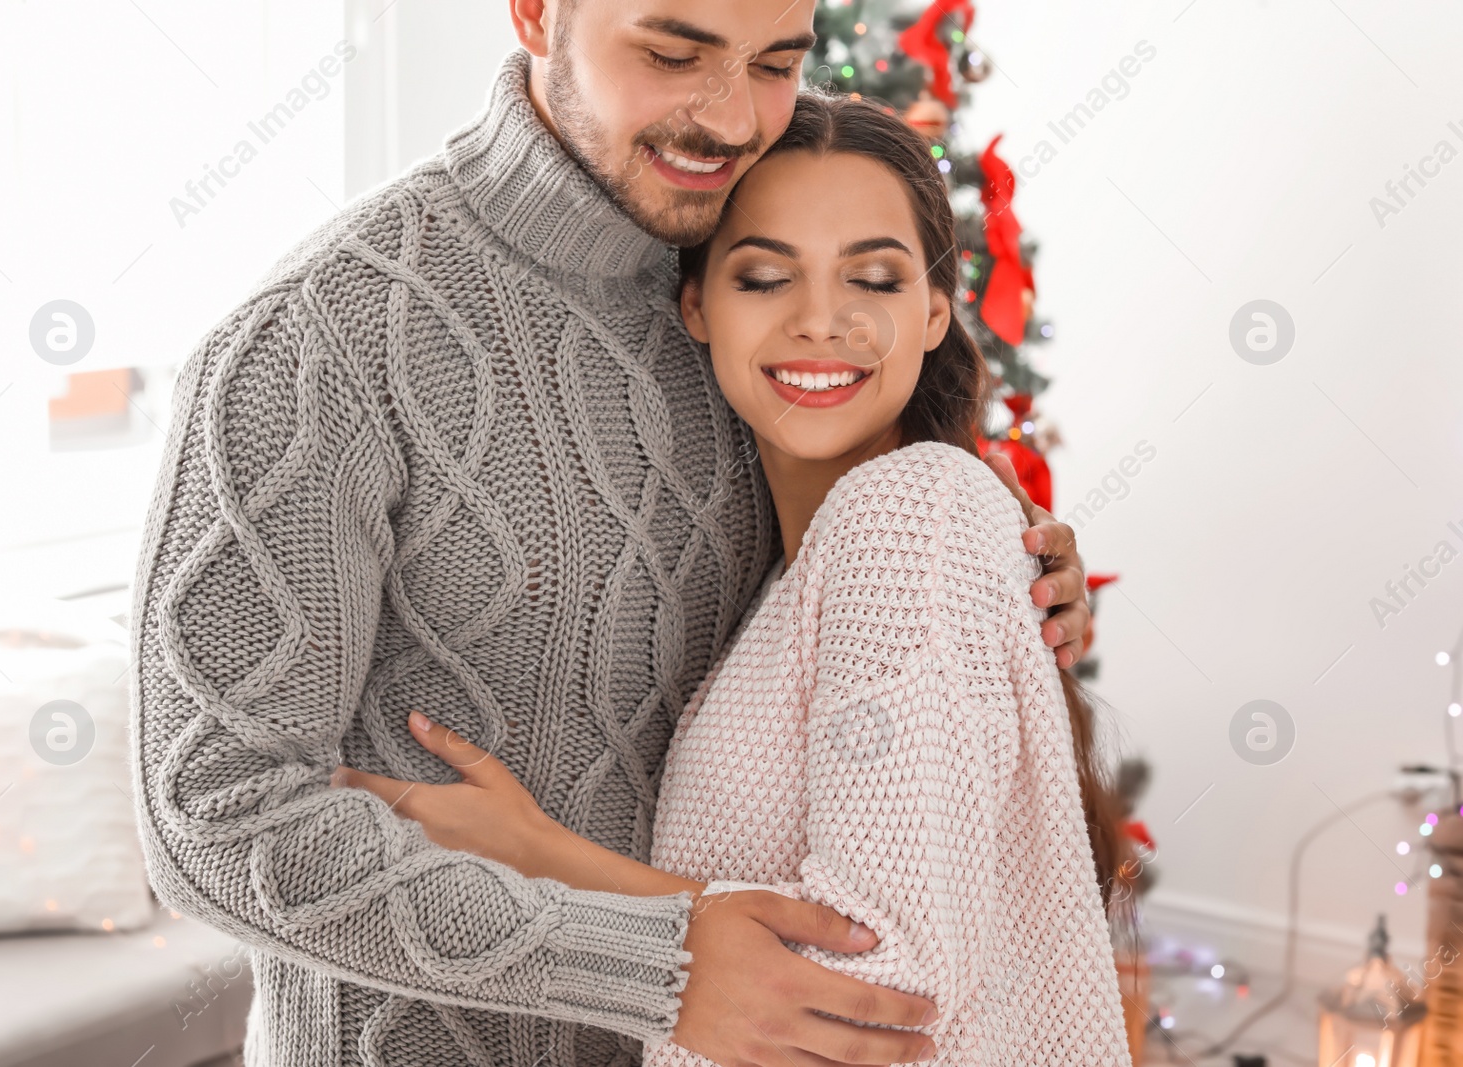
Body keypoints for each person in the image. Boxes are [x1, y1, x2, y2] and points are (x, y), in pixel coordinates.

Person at [128, 2, 1095, 1065]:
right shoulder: (319, 342)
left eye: (774, 62)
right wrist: (653, 963)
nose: (729, 118)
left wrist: (1007, 577)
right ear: (538, 14)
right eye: (672, 53)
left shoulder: (743, 289)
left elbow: (834, 603)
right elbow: (214, 816)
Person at [333, 91, 1133, 1065]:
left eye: (872, 280)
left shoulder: (909, 512)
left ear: (933, 313)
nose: (821, 323)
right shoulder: (790, 558)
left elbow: (875, 987)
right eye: (764, 278)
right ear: (695, 307)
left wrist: (538, 855)